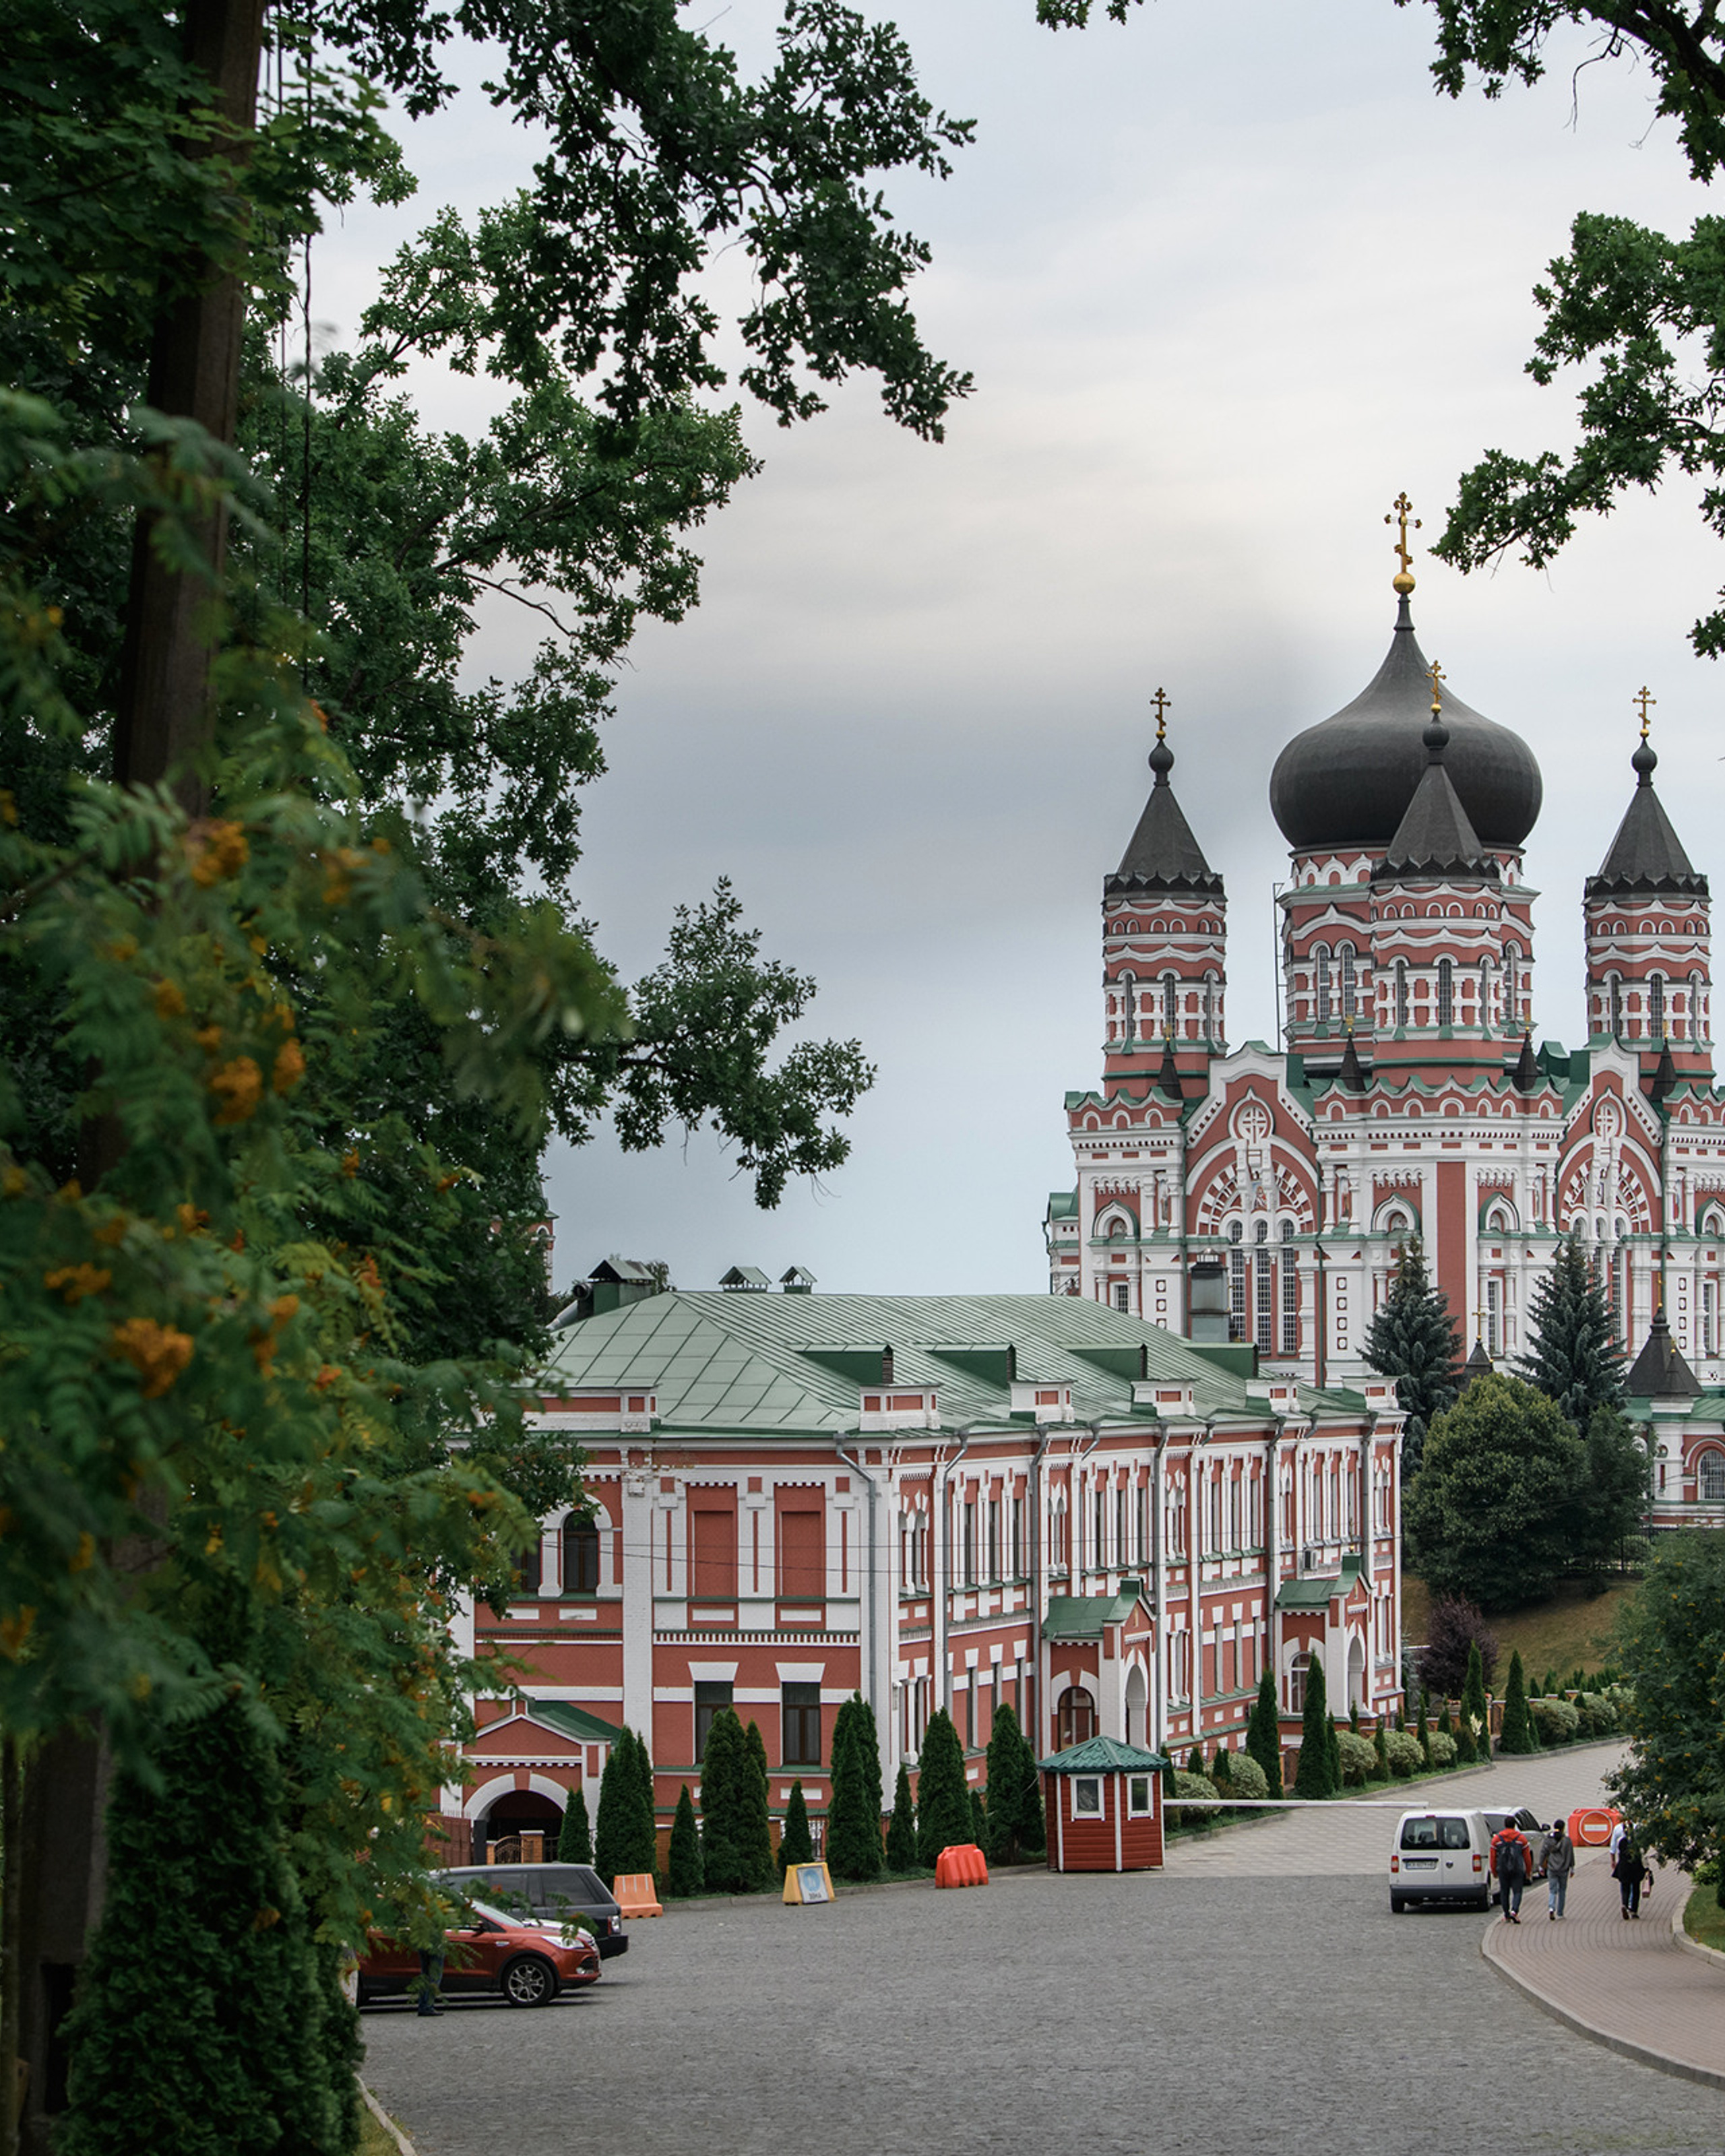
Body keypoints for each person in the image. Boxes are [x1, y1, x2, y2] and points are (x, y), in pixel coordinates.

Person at [1491, 1818, 1534, 1924]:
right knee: (1517, 1891)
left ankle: (1506, 1914)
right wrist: (1529, 1871)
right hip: (1517, 1869)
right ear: (1515, 1825)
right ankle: (1515, 1911)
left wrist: (1494, 1871)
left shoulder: (1497, 1839)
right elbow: (1527, 1857)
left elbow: (1493, 1857)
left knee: (1504, 1892)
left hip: (1503, 1869)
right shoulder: (1521, 1839)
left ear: (1505, 1825)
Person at [1544, 1820, 1575, 1920]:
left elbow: (1543, 1852)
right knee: (1562, 1890)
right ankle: (1560, 1913)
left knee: (1552, 1890)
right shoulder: (1567, 1840)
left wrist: (1541, 1865)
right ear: (1563, 1828)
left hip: (1552, 1868)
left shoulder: (1549, 1839)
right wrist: (1572, 1867)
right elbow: (1570, 1854)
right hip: (1563, 1869)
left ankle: (1551, 1908)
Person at [1617, 1837, 1649, 1921]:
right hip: (1636, 1868)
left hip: (1624, 1868)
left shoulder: (1621, 1841)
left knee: (1625, 1888)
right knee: (1635, 1889)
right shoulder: (1638, 1843)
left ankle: (1625, 1904)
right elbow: (1643, 1855)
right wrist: (1647, 1868)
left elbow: (1618, 1852)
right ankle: (1634, 1911)